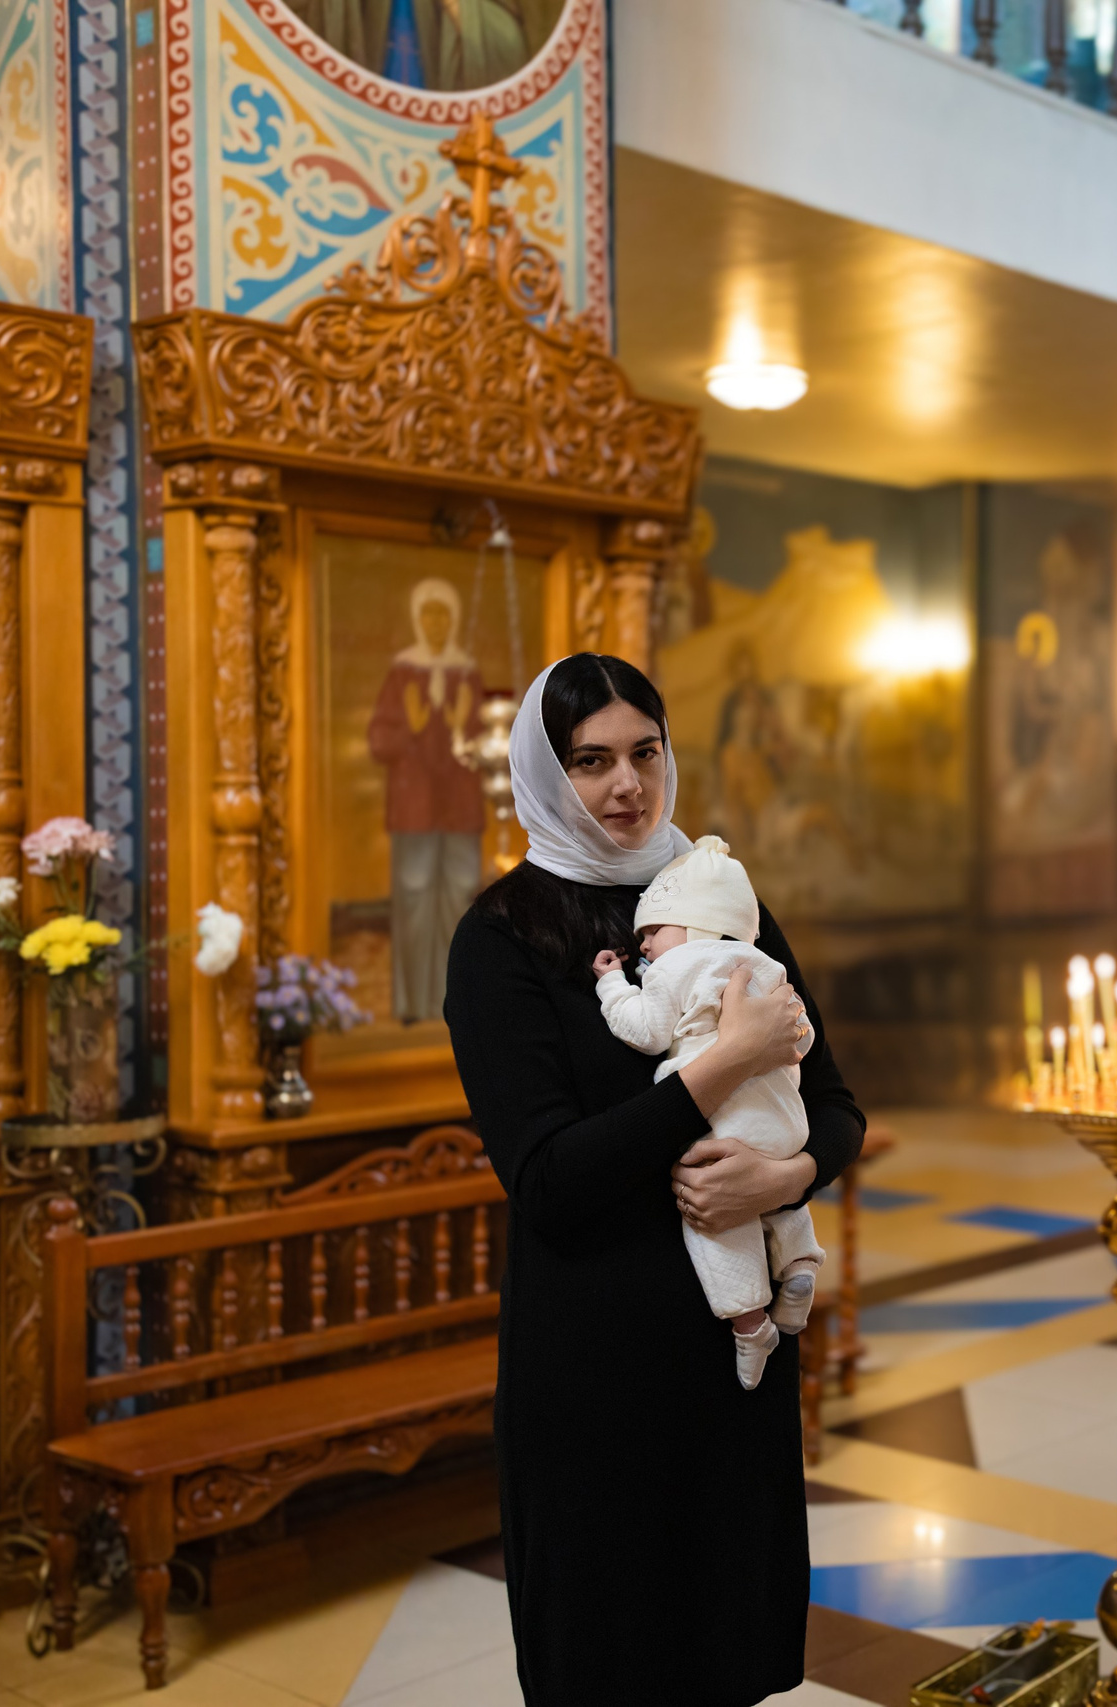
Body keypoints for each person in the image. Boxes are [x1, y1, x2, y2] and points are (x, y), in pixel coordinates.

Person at [444, 652, 863, 1704]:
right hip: (594, 1370)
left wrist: (787, 1177)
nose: (626, 785)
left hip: (732, 1367)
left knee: (728, 1656)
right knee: (609, 1665)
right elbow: (546, 1179)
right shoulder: (501, 940)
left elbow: (841, 1110)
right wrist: (718, 1067)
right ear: (546, 774)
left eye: (644, 752)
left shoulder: (726, 906)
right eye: (589, 761)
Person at [594, 834, 824, 1390]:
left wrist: (611, 985)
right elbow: (805, 1036)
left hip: (721, 1119)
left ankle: (751, 1325)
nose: (643, 944)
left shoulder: (678, 968)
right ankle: (799, 1267)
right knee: (773, 1189)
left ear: (696, 926)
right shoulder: (765, 964)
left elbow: (645, 1032)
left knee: (717, 1215)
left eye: (653, 930)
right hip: (784, 1120)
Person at [367, 577, 484, 1024]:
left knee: (460, 901)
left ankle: (457, 1003)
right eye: (428, 613)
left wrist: (462, 726)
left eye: (443, 614)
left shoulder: (466, 672)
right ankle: (414, 1005)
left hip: (460, 807)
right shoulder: (403, 673)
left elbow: (484, 741)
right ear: (419, 619)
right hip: (414, 809)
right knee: (414, 899)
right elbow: (379, 740)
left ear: (452, 620)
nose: (436, 622)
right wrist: (411, 727)